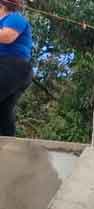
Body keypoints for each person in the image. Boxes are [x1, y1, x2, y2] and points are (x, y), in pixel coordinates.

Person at [0, 0, 32, 137]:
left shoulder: (14, 17)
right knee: (3, 112)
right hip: (11, 69)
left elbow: (7, 37)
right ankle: (8, 148)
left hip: (14, 67)